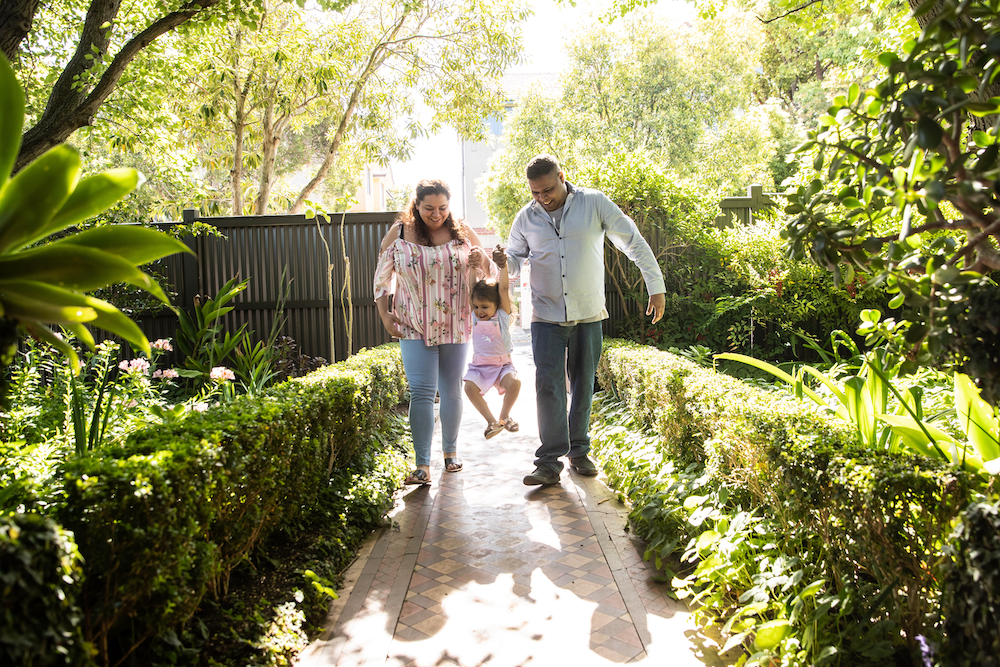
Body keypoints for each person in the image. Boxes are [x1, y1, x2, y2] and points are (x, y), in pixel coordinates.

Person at [503, 154, 666, 486]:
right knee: (548, 387)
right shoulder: (525, 219)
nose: (542, 198)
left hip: (588, 312)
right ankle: (548, 462)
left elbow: (632, 242)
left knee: (583, 386)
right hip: (545, 315)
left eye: (547, 190)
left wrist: (656, 286)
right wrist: (500, 263)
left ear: (562, 177)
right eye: (535, 193)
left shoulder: (594, 203)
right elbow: (514, 260)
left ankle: (579, 452)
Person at [373, 179, 489, 486]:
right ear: (416, 204)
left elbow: (486, 270)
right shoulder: (399, 233)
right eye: (428, 208)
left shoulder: (461, 231)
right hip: (413, 323)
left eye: (442, 208)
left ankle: (451, 453)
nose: (436, 215)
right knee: (421, 393)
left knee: (451, 390)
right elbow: (382, 278)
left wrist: (481, 259)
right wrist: (385, 315)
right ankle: (421, 464)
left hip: (455, 321)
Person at [463, 245, 522, 439]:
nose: (480, 310)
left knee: (515, 383)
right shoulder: (476, 317)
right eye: (477, 306)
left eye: (485, 307)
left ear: (497, 304)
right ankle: (491, 422)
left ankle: (504, 418)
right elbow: (472, 288)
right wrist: (472, 267)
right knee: (468, 387)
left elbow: (503, 288)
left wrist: (503, 266)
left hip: (502, 365)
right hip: (480, 366)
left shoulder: (502, 316)